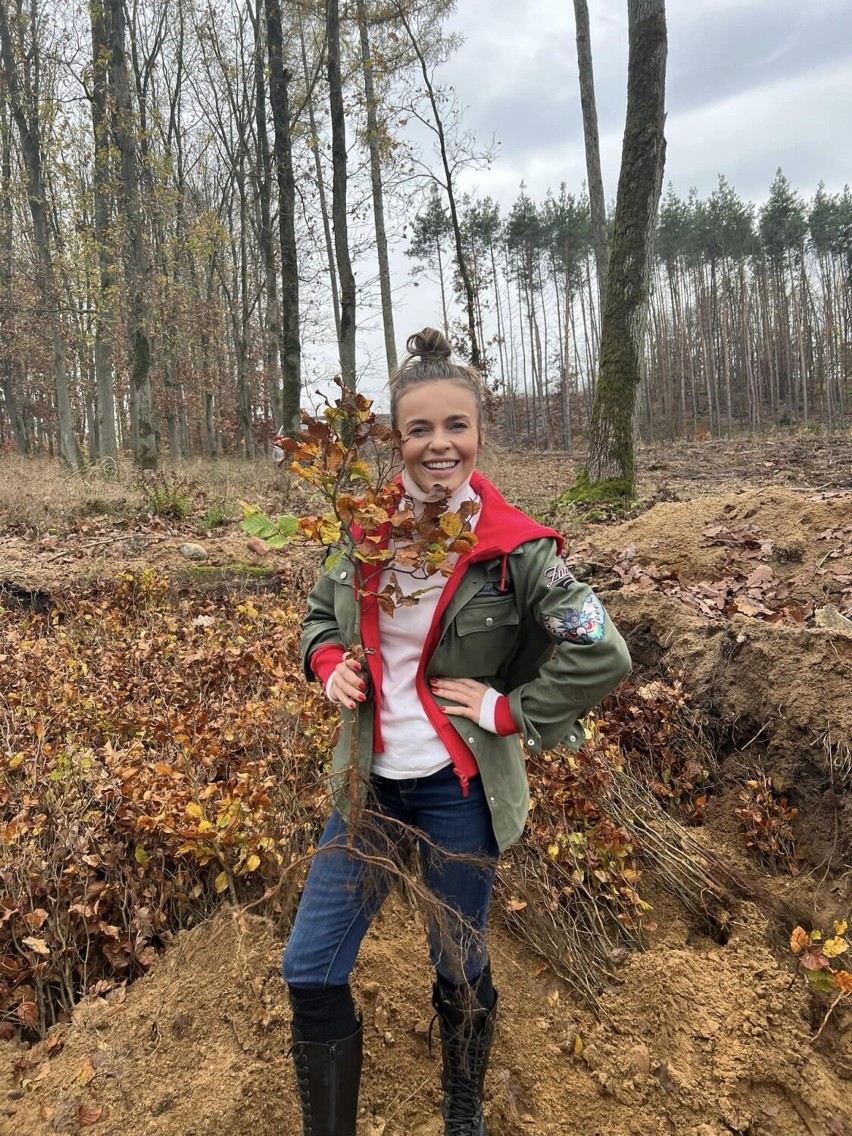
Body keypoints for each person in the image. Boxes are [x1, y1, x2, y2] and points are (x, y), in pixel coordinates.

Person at [283, 328, 631, 1136]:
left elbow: (601, 649)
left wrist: (511, 712)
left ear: (479, 431)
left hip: (457, 795)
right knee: (309, 969)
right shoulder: (363, 533)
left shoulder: (517, 552)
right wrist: (328, 659)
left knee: (458, 964)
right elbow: (313, 618)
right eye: (419, 429)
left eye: (456, 427)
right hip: (368, 787)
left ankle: (463, 1110)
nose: (439, 445)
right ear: (395, 440)